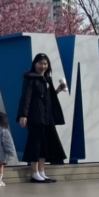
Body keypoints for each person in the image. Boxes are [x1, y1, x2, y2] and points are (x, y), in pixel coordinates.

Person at [16, 53, 68, 183]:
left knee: (46, 145)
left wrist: (58, 90)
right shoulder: (30, 78)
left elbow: (48, 99)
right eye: (40, 63)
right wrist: (23, 114)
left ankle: (42, 171)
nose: (43, 66)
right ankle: (34, 172)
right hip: (35, 117)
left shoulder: (46, 80)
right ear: (35, 64)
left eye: (45, 63)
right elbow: (26, 97)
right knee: (36, 144)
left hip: (47, 117)